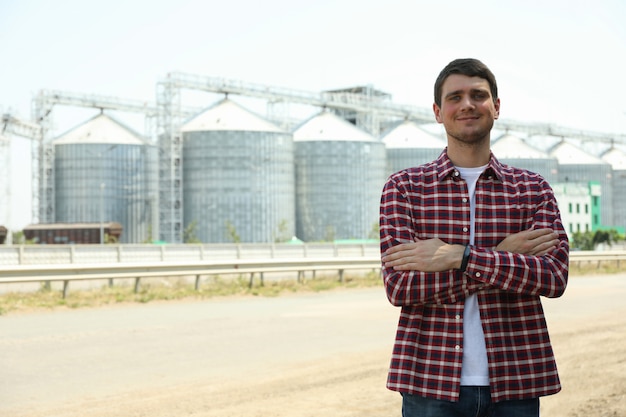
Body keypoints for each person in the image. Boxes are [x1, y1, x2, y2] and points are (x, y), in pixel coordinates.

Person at [379, 58, 569, 417]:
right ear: (438, 111)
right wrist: (500, 255)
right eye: (455, 97)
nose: (467, 104)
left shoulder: (532, 189)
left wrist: (460, 256)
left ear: (496, 107)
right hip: (429, 381)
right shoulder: (404, 188)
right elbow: (400, 288)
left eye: (478, 95)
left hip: (516, 378)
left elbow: (553, 277)